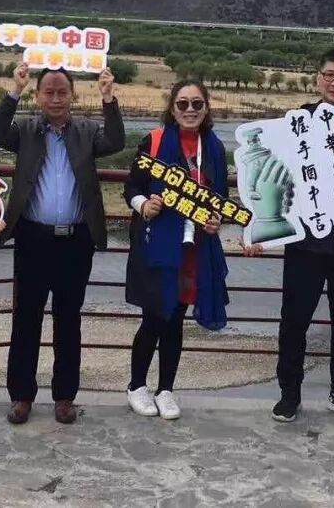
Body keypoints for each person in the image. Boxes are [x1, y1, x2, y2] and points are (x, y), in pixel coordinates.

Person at [246, 47, 334, 424]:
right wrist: (258, 226)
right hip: (305, 242)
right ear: (318, 78)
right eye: (329, 75)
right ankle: (289, 394)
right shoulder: (297, 122)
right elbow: (274, 171)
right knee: (294, 320)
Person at [0, 62, 124, 426]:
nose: (56, 98)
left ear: (73, 95)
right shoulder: (26, 130)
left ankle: (64, 397)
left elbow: (115, 142)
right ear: (38, 96)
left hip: (76, 241)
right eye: (48, 92)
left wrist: (108, 97)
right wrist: (14, 90)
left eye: (63, 92)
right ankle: (21, 396)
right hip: (32, 238)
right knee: (26, 319)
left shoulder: (87, 130)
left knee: (68, 320)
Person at [122, 80, 230, 420]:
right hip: (157, 244)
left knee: (176, 320)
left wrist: (216, 219)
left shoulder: (213, 148)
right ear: (172, 108)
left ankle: (166, 389)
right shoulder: (153, 141)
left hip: (194, 249)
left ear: (206, 108)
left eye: (197, 104)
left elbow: (220, 199)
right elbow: (131, 188)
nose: (190, 110)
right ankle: (137, 386)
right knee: (154, 317)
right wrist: (144, 205)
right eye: (183, 104)